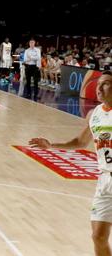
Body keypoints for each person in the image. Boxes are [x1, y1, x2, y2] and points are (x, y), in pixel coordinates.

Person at [29, 71, 112, 256]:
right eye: (98, 83)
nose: (99, 87)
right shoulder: (94, 114)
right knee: (98, 237)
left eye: (105, 83)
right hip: (105, 181)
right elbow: (81, 142)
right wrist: (51, 145)